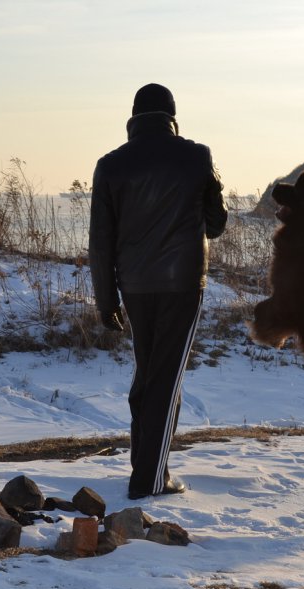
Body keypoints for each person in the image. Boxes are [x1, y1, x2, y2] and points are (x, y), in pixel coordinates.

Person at [89, 83, 228, 500]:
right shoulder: (196, 157)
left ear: (133, 117)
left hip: (133, 285)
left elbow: (100, 241)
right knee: (165, 381)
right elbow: (217, 225)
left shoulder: (110, 165)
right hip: (183, 283)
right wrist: (215, 190)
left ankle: (147, 469)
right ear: (172, 116)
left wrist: (105, 301)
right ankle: (149, 480)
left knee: (149, 377)